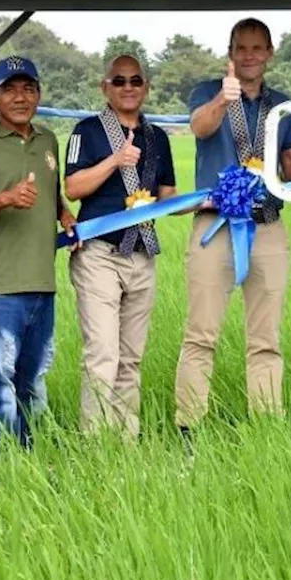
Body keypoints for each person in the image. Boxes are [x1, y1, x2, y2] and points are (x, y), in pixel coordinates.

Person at [174, 18, 291, 432]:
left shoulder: (284, 106)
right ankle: (188, 427)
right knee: (201, 333)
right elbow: (200, 127)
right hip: (215, 228)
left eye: (257, 48)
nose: (249, 55)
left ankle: (267, 424)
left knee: (266, 337)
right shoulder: (206, 91)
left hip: (266, 226)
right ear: (230, 52)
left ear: (269, 52)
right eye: (241, 48)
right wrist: (222, 99)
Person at [0, 57, 79, 446]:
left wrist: (65, 214)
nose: (20, 97)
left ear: (39, 93)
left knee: (32, 379)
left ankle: (29, 459)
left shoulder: (47, 140)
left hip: (42, 282)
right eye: (10, 89)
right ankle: (0, 463)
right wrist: (5, 198)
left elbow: (51, 190)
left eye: (28, 89)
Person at [64, 54, 177, 437]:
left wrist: (209, 201)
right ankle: (94, 442)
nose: (127, 88)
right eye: (119, 81)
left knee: (131, 357)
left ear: (146, 87)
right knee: (102, 354)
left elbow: (169, 194)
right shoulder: (87, 131)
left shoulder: (157, 137)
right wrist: (115, 161)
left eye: (135, 81)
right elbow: (73, 188)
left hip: (142, 254)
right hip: (99, 253)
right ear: (105, 87)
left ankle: (126, 440)